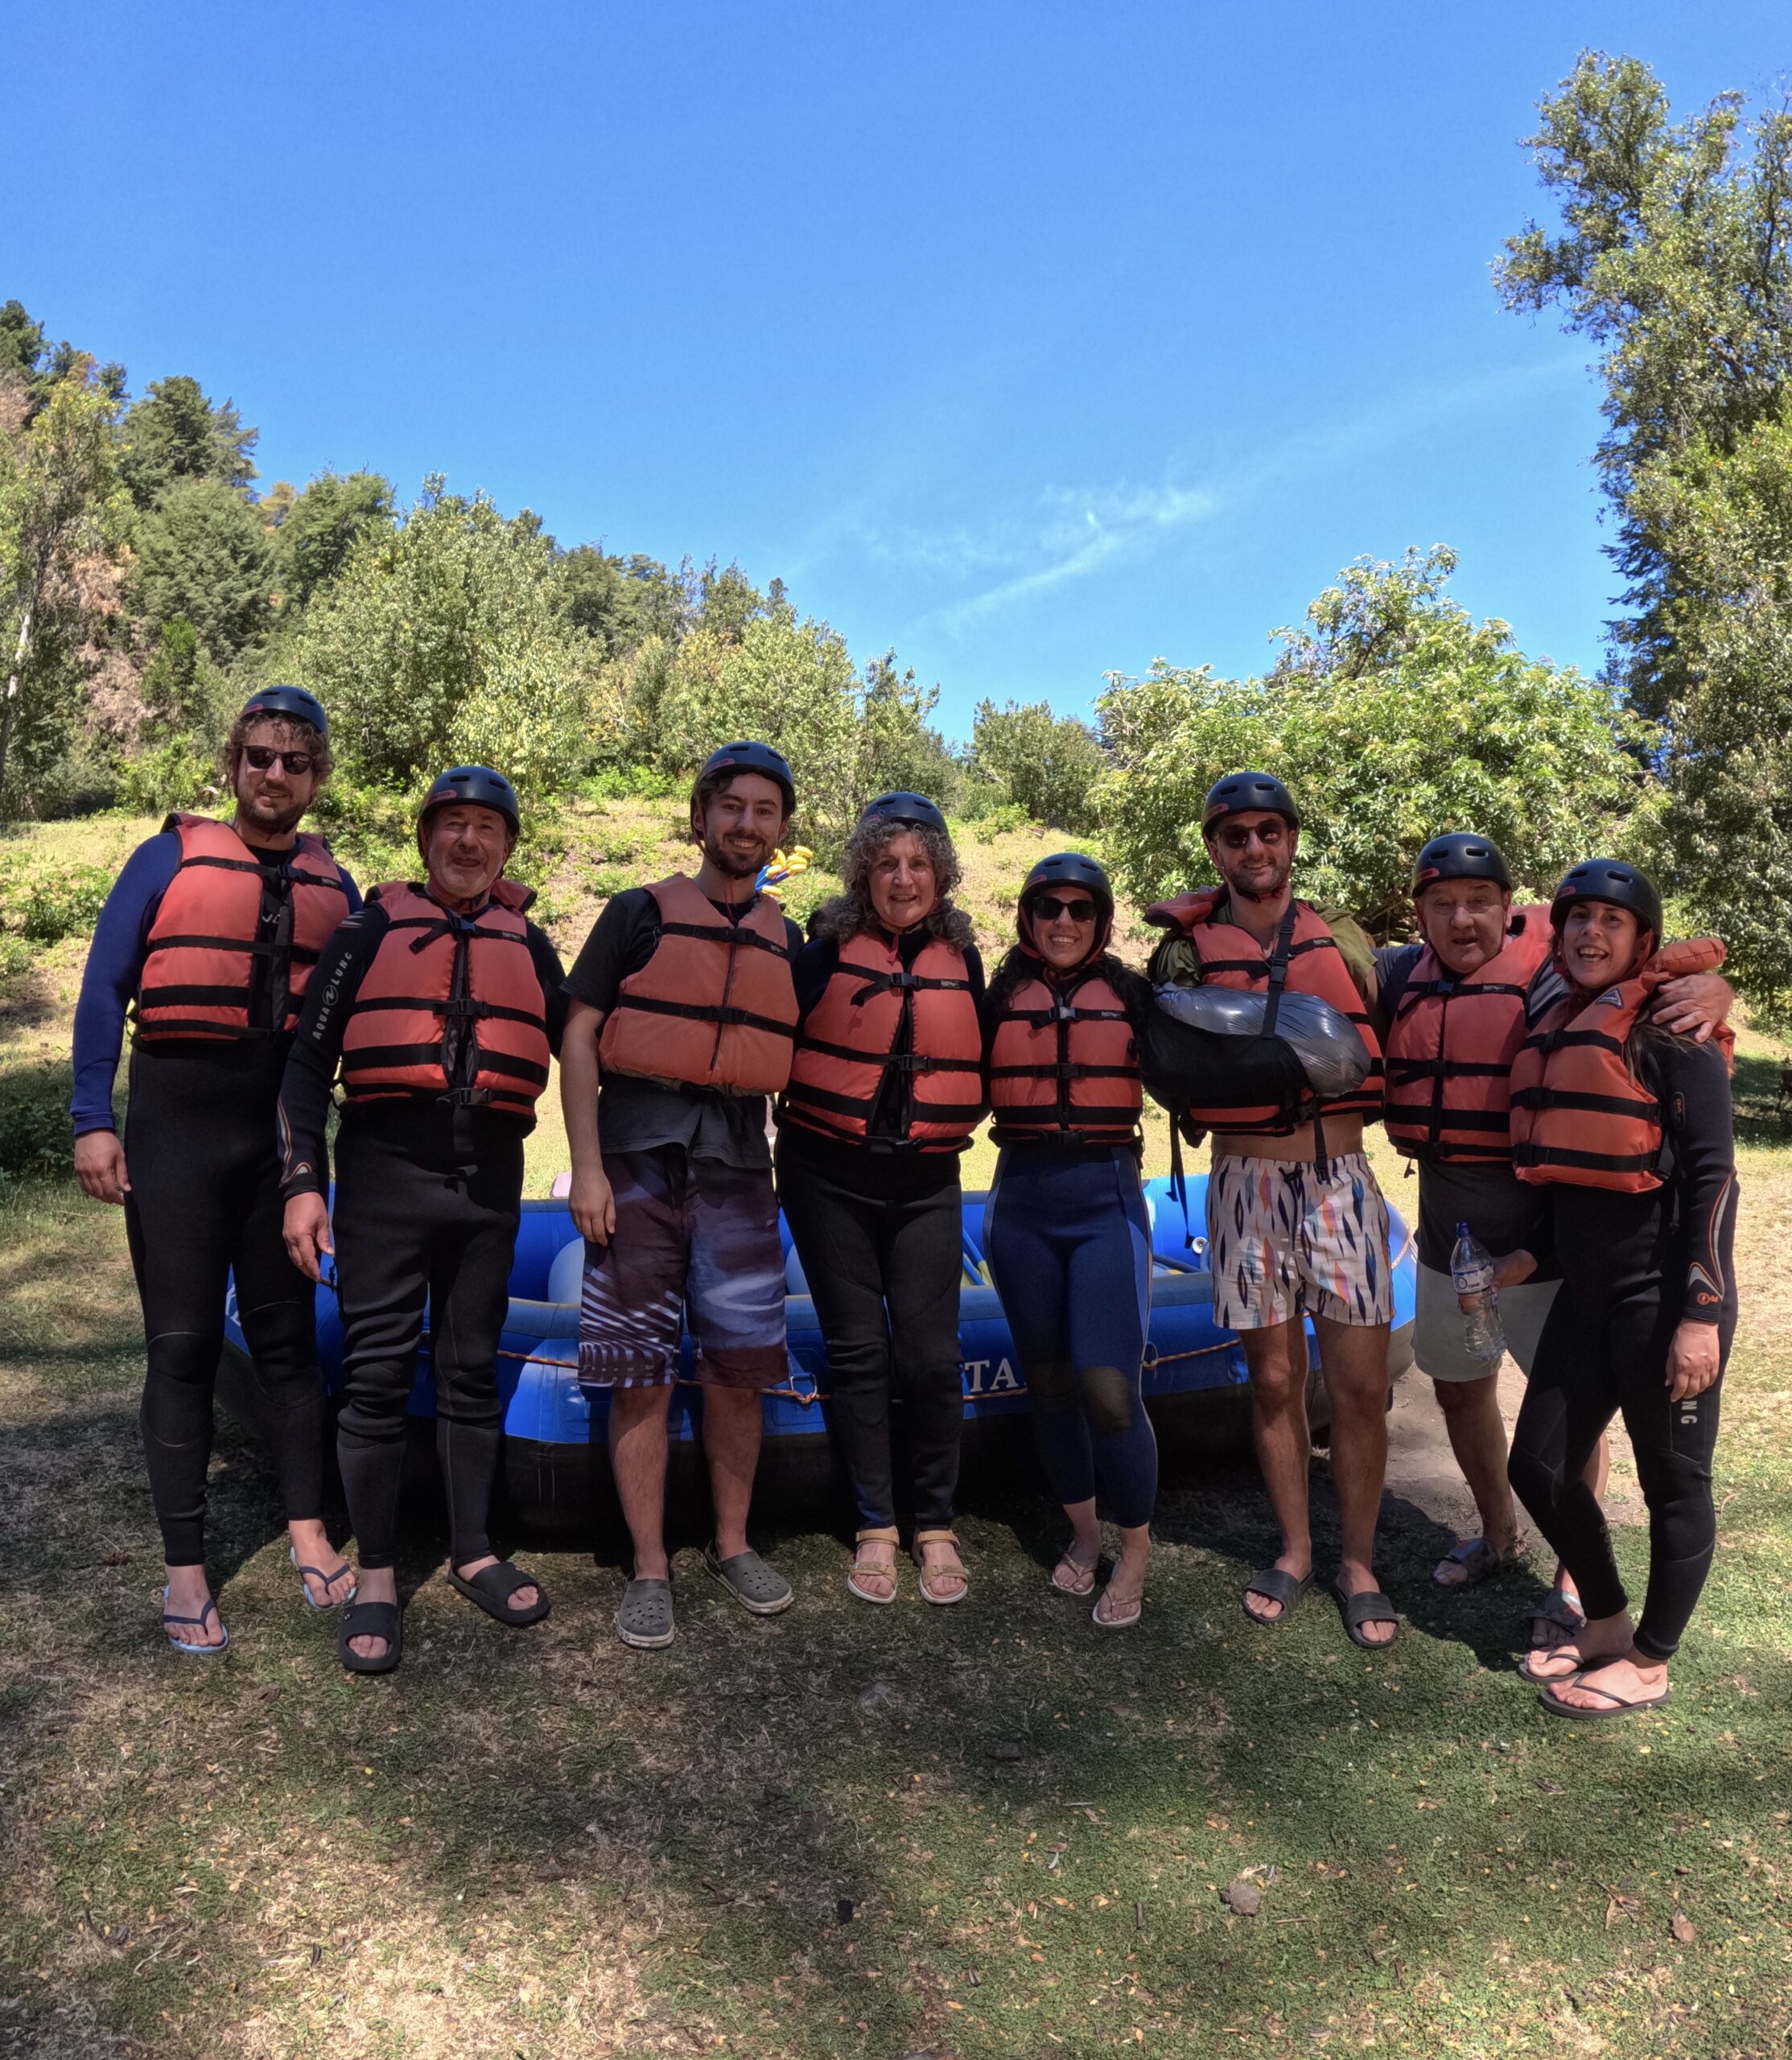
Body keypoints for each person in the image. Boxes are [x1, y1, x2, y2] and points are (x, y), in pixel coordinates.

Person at [1380, 834, 1731, 1646]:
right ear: (1421, 912)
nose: (1461, 919)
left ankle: (1577, 1590)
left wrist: (1717, 985)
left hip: (1585, 1261)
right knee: (1467, 1394)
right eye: (1442, 903)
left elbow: (1708, 1161)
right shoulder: (1402, 977)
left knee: (1595, 1435)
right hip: (1466, 1247)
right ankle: (1500, 1536)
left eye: (1480, 902)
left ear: (1510, 911)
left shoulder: (1555, 984)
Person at [71, 686, 358, 1654]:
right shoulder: (165, 858)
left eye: (294, 760)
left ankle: (310, 1530)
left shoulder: (337, 884)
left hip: (277, 1136)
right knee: (184, 1347)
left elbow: (351, 1027)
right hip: (175, 1128)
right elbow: (105, 990)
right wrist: (89, 1122)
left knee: (286, 1341)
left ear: (316, 777)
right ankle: (186, 1567)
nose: (275, 774)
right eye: (259, 757)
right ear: (234, 765)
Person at [279, 767, 566, 1675]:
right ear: (425, 838)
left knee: (471, 1369)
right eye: (452, 825)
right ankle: (374, 1575)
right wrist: (302, 1181)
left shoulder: (534, 943)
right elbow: (303, 1066)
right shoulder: (367, 932)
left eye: (487, 827)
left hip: (487, 1182)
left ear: (509, 846)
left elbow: (591, 1055)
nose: (469, 842)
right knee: (373, 1379)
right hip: (384, 1175)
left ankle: (472, 1549)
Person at [1145, 772, 1399, 1648]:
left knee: (1362, 1387)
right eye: (1235, 836)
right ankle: (1294, 1549)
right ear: (1214, 849)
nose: (1254, 848)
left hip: (1340, 1181)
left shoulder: (1347, 940)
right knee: (1276, 1382)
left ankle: (1358, 1562)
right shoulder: (1184, 950)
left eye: (1268, 831)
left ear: (1290, 838)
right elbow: (1161, 1050)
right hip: (1244, 1181)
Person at [561, 741, 802, 1650]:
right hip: (635, 1162)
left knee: (740, 1372)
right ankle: (651, 1565)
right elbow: (579, 1037)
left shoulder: (791, 935)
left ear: (781, 829)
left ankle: (731, 1544)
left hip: (740, 1168)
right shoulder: (636, 914)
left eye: (763, 810)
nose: (746, 823)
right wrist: (586, 1168)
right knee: (639, 1373)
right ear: (700, 818)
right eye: (730, 806)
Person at [1495, 862, 1737, 1718]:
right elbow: (1572, 1180)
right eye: (1578, 919)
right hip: (1587, 1295)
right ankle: (1603, 1620)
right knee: (1539, 1465)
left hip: (1665, 1294)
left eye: (1612, 920)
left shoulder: (1674, 1036)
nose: (1591, 933)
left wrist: (1699, 1315)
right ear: (1558, 934)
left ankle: (1650, 1659)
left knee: (1674, 1482)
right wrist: (1522, 1256)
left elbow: (1713, 1179)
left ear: (1642, 940)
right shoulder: (1558, 1024)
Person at [777, 792, 985, 1605]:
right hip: (826, 1173)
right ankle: (875, 1525)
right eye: (887, 862)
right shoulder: (821, 952)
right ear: (864, 869)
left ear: (941, 874)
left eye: (918, 864)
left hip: (926, 1176)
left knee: (932, 1356)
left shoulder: (964, 958)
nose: (903, 878)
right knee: (859, 1352)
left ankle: (934, 1522)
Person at [982, 853, 1158, 1629]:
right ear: (1026, 918)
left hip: (1104, 1203)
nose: (1061, 921)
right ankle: (1085, 1536)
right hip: (1019, 1201)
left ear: (1102, 921)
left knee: (1109, 1392)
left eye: (1078, 909)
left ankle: (1138, 1551)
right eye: (1046, 907)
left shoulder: (1131, 995)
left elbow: (1210, 1059)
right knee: (1049, 1383)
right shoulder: (996, 997)